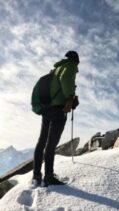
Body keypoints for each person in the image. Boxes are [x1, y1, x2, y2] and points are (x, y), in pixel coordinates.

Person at [32, 51, 80, 187]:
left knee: (41, 141)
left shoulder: (55, 70)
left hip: (46, 108)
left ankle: (36, 174)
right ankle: (48, 176)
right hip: (58, 109)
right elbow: (65, 79)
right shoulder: (69, 66)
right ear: (75, 60)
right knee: (51, 144)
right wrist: (70, 97)